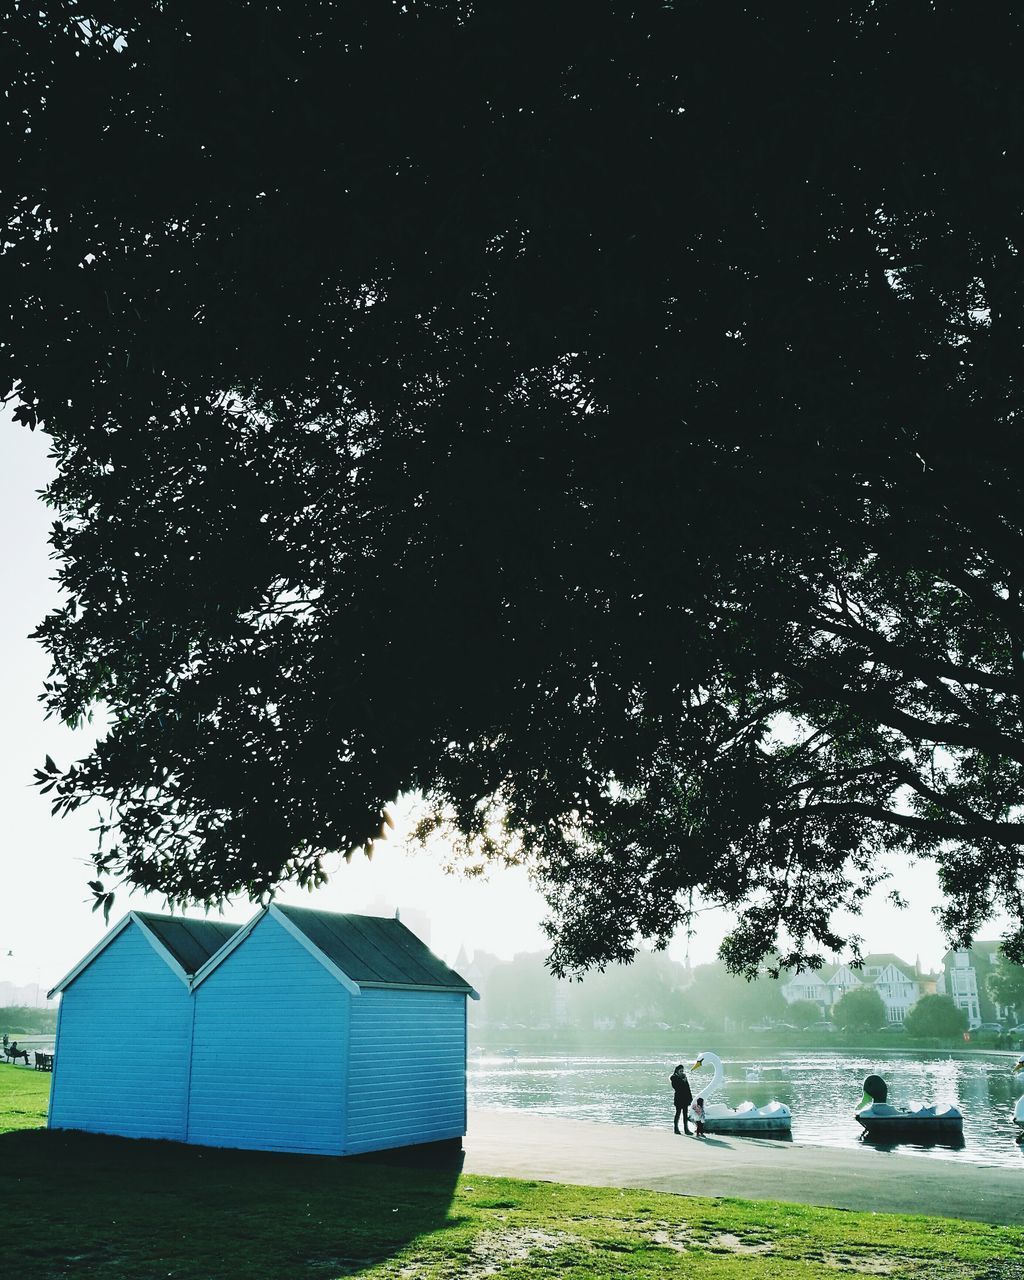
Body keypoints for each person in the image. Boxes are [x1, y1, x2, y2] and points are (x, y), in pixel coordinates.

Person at [670, 1063, 693, 1134]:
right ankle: (676, 1129)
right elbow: (677, 1088)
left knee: (685, 1114)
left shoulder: (684, 1077)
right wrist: (683, 1080)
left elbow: (688, 1088)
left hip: (685, 1098)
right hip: (678, 1099)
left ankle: (686, 1129)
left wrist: (690, 1098)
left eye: (683, 1071)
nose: (682, 1072)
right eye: (680, 1071)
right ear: (677, 1071)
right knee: (678, 1113)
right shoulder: (673, 1078)